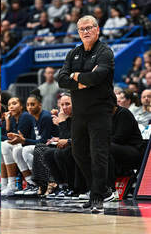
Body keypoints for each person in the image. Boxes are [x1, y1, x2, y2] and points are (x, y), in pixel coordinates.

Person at [57, 15, 116, 213]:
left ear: (97, 30)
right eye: (81, 29)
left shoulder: (105, 52)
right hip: (80, 113)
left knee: (98, 154)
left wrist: (76, 77)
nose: (85, 31)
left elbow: (98, 76)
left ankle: (97, 197)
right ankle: (102, 190)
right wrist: (84, 80)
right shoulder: (73, 53)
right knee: (78, 153)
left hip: (100, 112)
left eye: (89, 28)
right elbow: (62, 80)